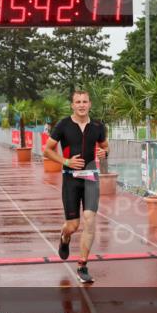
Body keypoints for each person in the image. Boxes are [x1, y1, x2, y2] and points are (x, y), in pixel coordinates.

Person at [43, 89, 108, 284]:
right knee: (73, 225)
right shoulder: (63, 124)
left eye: (85, 101)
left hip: (91, 178)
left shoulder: (98, 126)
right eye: (78, 101)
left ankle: (82, 265)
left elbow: (105, 147)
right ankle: (64, 237)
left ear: (90, 104)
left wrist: (104, 152)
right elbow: (47, 150)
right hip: (70, 179)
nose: (81, 105)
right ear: (72, 105)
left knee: (89, 220)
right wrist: (66, 161)